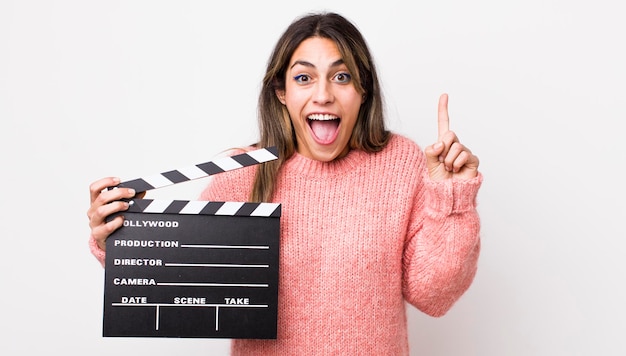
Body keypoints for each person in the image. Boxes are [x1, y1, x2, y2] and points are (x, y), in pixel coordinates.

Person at [87, 11, 482, 355]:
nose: (323, 94)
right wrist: (120, 237)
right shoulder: (243, 172)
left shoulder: (402, 163)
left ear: (362, 90)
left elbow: (434, 295)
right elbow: (184, 278)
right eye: (304, 77)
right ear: (282, 92)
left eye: (341, 76)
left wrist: (453, 197)